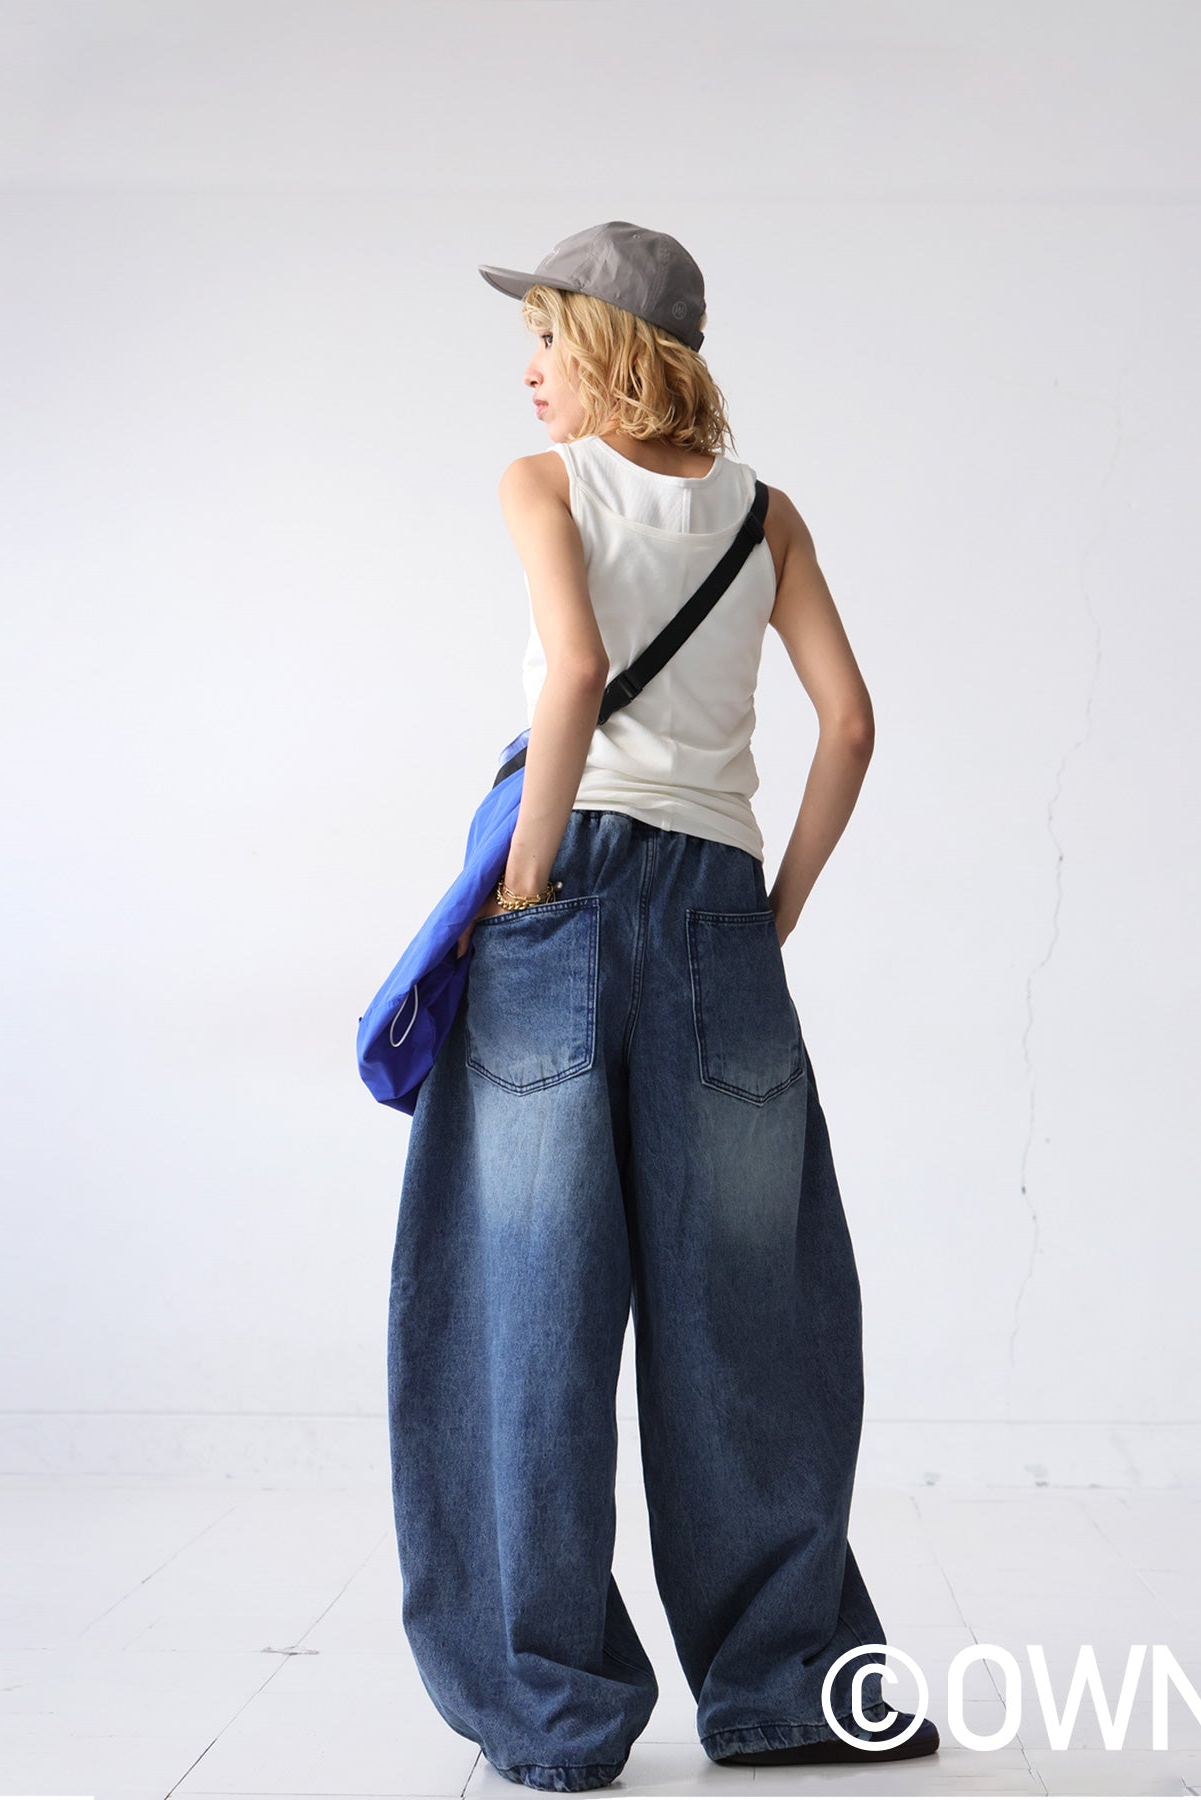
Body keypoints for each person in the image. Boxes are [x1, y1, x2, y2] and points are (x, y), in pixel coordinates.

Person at [385, 220, 941, 1792]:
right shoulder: (766, 516)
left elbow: (570, 674)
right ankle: (789, 1689)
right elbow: (851, 725)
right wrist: (775, 908)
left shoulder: (542, 484)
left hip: (563, 888)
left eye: (545, 336)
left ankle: (556, 1712)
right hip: (717, 913)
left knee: (527, 1313)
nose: (528, 369)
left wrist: (526, 880)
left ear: (606, 345)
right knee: (747, 1314)